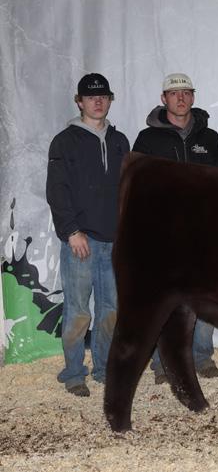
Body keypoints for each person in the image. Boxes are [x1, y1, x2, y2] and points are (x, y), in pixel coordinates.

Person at [133, 72, 218, 383]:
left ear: (193, 96)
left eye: (186, 92)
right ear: (164, 99)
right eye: (174, 93)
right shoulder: (147, 139)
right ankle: (163, 365)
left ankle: (202, 358)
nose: (181, 98)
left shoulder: (209, 138)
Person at [46, 73, 130, 396]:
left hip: (115, 241)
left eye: (103, 96)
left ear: (110, 100)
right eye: (91, 97)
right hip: (81, 241)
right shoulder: (64, 142)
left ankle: (104, 368)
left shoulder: (120, 141)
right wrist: (71, 231)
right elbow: (57, 190)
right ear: (79, 102)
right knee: (78, 311)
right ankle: (73, 372)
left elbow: (128, 190)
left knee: (112, 310)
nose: (98, 101)